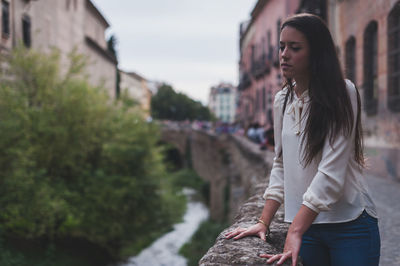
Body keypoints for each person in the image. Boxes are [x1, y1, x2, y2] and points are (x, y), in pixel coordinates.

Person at [225, 13, 380, 266]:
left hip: (350, 225)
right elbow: (281, 163)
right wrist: (264, 221)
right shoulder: (281, 100)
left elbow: (331, 171)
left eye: (294, 48)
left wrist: (295, 230)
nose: (284, 54)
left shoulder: (343, 92)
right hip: (308, 229)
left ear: (317, 54)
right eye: (281, 47)